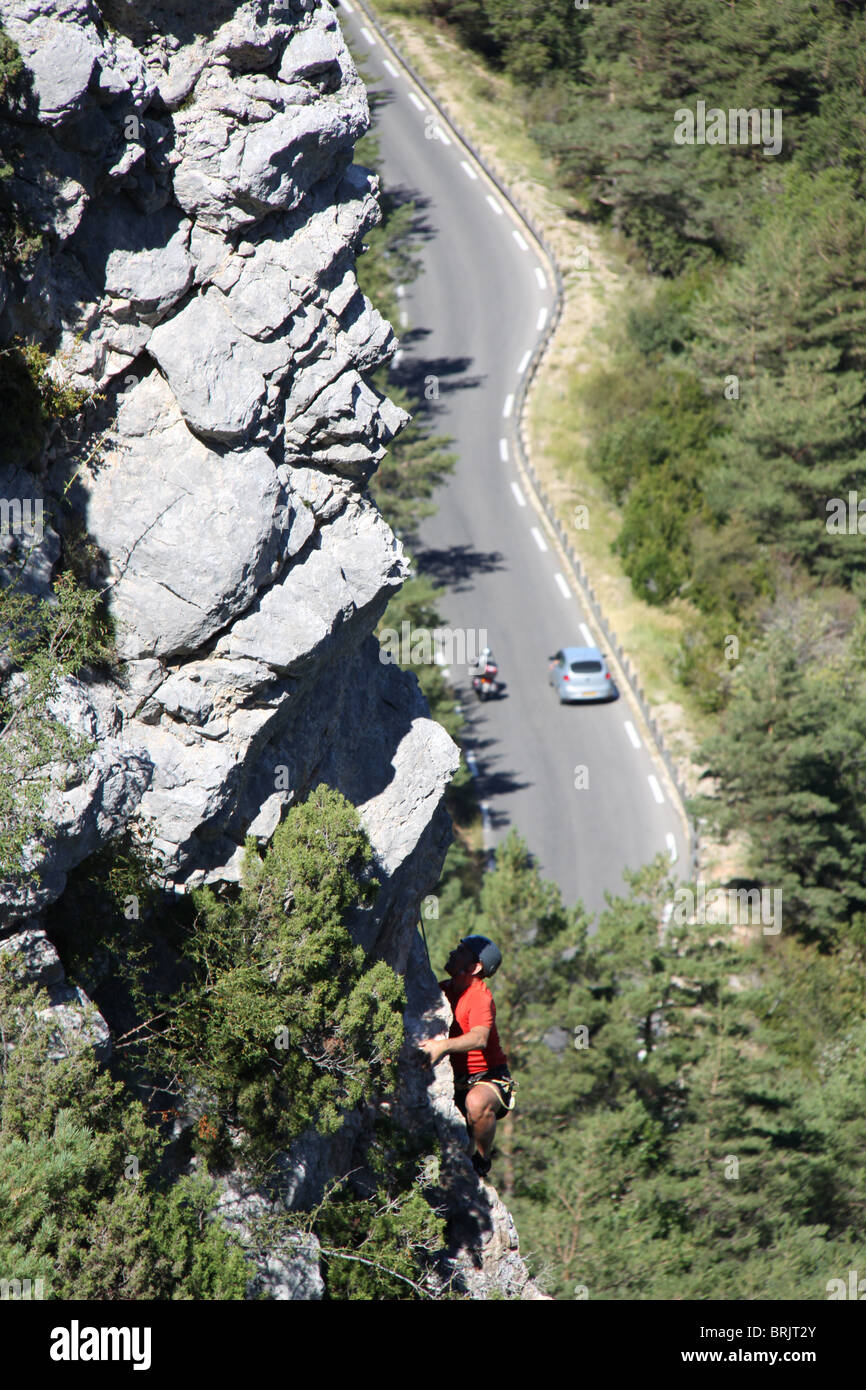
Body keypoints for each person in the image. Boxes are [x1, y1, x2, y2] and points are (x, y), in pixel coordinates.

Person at [418, 934, 514, 1178]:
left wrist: (443, 1047)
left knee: (476, 1103)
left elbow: (480, 1038)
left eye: (460, 952)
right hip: (456, 1081)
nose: (452, 953)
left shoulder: (480, 997)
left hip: (487, 1078)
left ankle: (482, 1159)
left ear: (476, 966)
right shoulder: (443, 990)